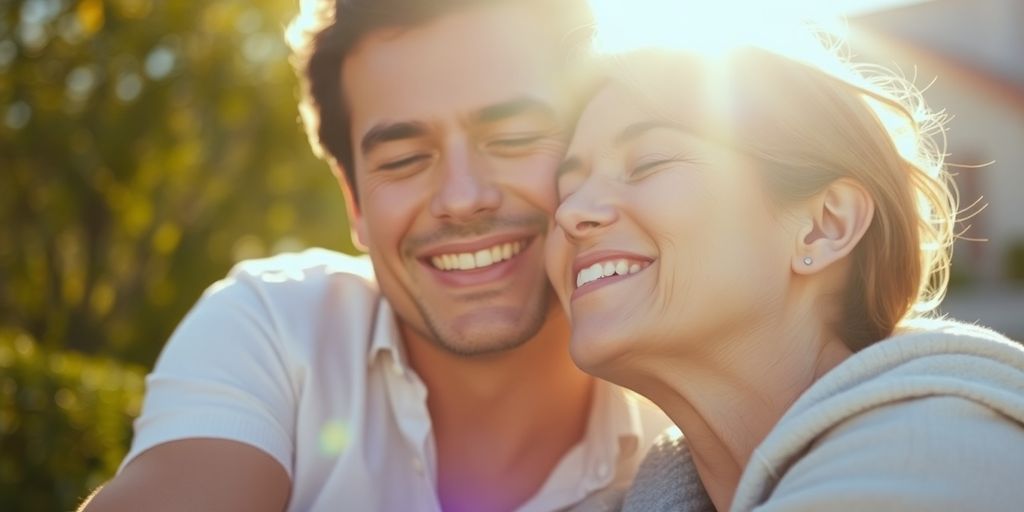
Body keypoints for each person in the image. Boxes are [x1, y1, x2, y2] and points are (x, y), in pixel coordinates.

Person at [79, 1, 670, 511]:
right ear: (354, 202)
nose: (462, 198)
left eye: (513, 139)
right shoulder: (272, 331)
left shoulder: (675, 431)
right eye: (404, 160)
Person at [545, 41, 1024, 511]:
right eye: (566, 189)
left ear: (823, 226)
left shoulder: (940, 462)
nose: (571, 213)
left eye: (647, 163)